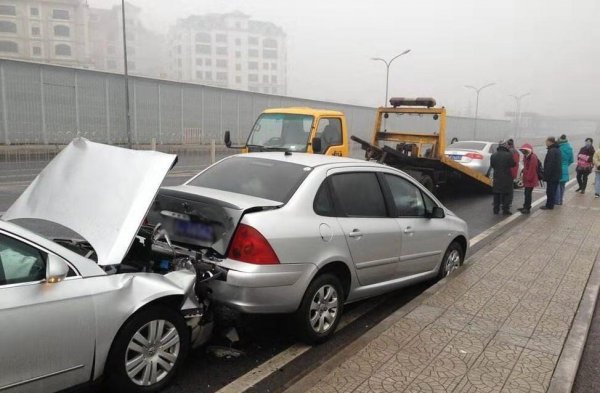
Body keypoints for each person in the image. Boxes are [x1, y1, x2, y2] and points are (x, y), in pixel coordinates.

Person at [490, 140, 516, 215]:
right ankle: (505, 210)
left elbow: (492, 165)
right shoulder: (509, 155)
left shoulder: (493, 155)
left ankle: (496, 209)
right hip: (506, 177)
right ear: (505, 146)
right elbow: (512, 164)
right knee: (506, 193)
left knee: (496, 193)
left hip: (497, 177)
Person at [517, 143, 539, 214]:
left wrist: (528, 178)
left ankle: (527, 208)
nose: (523, 152)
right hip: (527, 178)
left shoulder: (533, 157)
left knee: (528, 194)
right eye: (522, 150)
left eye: (524, 150)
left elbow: (532, 169)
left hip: (530, 179)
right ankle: (525, 206)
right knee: (526, 193)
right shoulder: (526, 156)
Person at [541, 136, 562, 210]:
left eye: (546, 141)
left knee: (550, 191)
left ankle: (549, 205)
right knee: (553, 190)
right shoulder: (557, 149)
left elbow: (549, 165)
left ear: (550, 142)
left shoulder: (552, 151)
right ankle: (550, 204)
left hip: (552, 176)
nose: (546, 143)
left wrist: (546, 175)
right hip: (556, 175)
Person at [555, 134, 574, 205]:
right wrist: (565, 165)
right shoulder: (569, 148)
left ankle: (557, 201)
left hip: (558, 169)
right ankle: (561, 200)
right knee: (562, 186)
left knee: (557, 185)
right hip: (565, 169)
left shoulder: (558, 148)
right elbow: (571, 160)